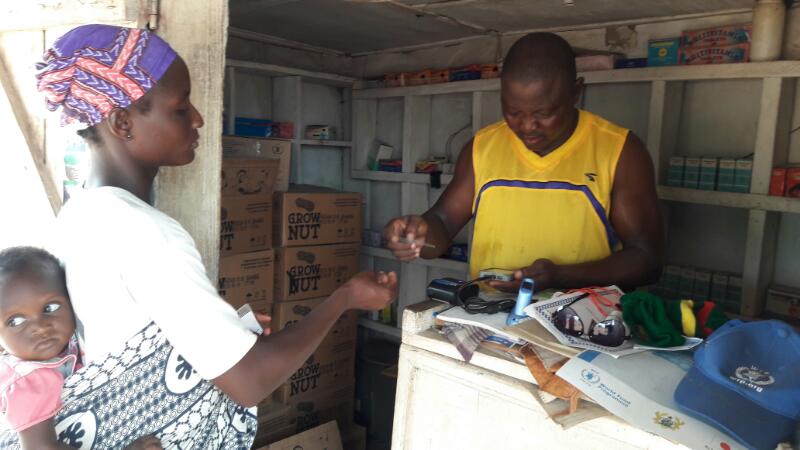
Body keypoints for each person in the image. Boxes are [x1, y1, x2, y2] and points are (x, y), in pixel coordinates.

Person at [0, 24, 397, 449]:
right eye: (180, 107)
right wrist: (345, 298)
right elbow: (249, 380)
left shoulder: (79, 214)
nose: (198, 118)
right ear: (122, 122)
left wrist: (226, 329)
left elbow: (125, 332)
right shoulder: (147, 232)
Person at [384, 32, 663, 293]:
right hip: (489, 315)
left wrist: (561, 276)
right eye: (513, 112)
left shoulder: (620, 151)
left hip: (580, 321)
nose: (528, 126)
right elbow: (442, 224)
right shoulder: (481, 148)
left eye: (544, 113)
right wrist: (415, 236)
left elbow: (647, 261)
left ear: (575, 92)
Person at [0, 247, 161, 450]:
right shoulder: (27, 381)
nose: (40, 327)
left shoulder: (73, 342)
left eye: (50, 308)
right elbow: (41, 448)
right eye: (16, 321)